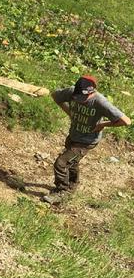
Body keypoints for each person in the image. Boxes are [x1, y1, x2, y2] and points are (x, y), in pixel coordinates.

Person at [44, 75, 130, 204]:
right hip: (73, 135)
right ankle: (72, 186)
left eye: (84, 98)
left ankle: (62, 192)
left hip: (87, 141)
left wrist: (102, 125)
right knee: (72, 163)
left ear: (92, 92)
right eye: (78, 97)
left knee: (61, 163)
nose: (80, 100)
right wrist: (70, 113)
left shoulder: (100, 102)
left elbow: (126, 121)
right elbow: (56, 96)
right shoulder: (71, 92)